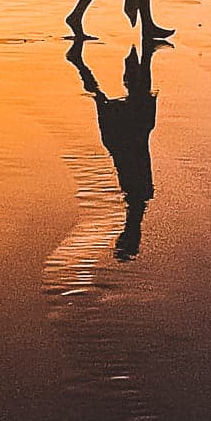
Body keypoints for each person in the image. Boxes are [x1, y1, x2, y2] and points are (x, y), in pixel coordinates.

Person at [67, 40, 156, 259]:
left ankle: (78, 62)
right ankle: (78, 62)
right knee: (136, 198)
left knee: (136, 197)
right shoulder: (141, 111)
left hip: (127, 145)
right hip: (130, 145)